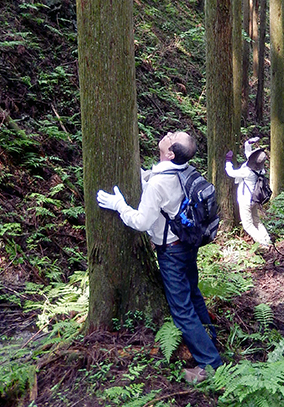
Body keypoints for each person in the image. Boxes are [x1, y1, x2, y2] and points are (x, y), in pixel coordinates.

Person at [96, 131, 222, 383]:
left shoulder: (158, 184)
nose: (167, 134)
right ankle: (210, 339)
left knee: (182, 310)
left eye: (172, 136)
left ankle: (210, 364)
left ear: (171, 153)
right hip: (187, 244)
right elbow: (159, 182)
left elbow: (142, 222)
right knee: (193, 294)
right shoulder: (184, 169)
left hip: (171, 252)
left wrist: (120, 206)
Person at [225, 137, 272, 248]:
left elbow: (231, 172)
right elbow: (248, 154)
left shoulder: (246, 171)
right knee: (256, 220)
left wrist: (228, 161)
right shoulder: (260, 169)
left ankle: (263, 243)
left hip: (245, 200)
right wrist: (248, 143)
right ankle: (267, 239)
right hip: (254, 199)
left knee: (248, 225)